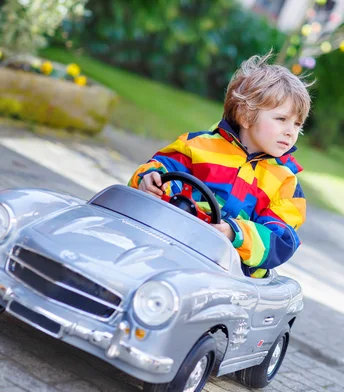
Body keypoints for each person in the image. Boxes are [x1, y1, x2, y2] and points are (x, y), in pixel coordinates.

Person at [128, 52, 312, 278]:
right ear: (246, 116)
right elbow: (159, 169)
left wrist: (234, 233)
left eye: (297, 124)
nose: (290, 131)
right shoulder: (197, 146)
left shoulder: (286, 183)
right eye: (281, 119)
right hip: (170, 244)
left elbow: (281, 239)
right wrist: (150, 180)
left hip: (228, 275)